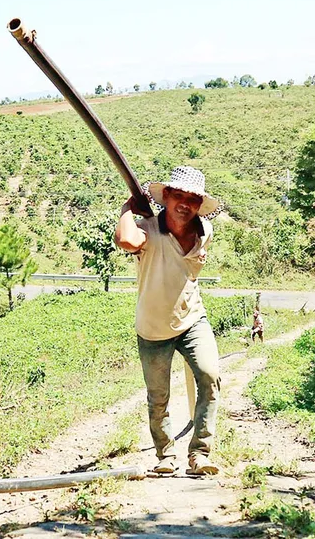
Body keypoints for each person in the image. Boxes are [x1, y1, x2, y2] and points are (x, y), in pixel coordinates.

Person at [113, 166, 223, 476]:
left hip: (192, 319)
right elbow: (125, 240)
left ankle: (200, 453)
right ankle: (165, 455)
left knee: (209, 376)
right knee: (158, 396)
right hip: (152, 327)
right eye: (179, 197)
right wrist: (126, 209)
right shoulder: (146, 230)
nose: (185, 204)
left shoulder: (204, 231)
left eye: (192, 199)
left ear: (199, 205)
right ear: (167, 198)